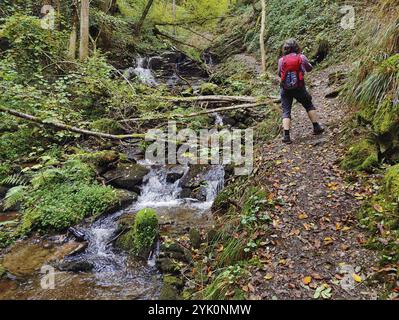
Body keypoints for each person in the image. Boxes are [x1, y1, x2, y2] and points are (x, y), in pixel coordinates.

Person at [278, 39, 324, 144]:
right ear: (296, 47)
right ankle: (316, 127)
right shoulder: (301, 57)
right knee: (308, 105)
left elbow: (279, 74)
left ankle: (286, 136)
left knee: (286, 111)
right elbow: (309, 69)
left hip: (285, 89)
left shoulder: (281, 60)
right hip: (299, 87)